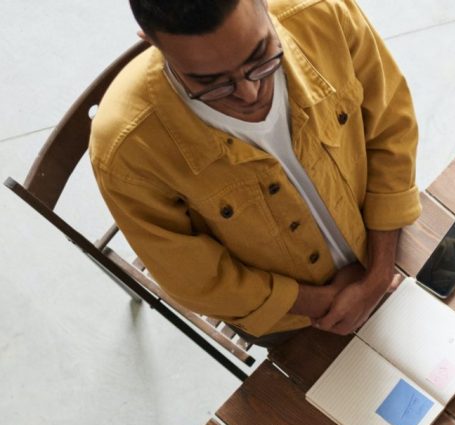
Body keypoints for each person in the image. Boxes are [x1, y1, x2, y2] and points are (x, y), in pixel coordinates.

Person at [91, 0, 420, 341]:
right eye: (212, 83)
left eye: (261, 56)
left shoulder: (322, 12)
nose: (250, 93)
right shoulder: (125, 149)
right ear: (151, 41)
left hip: (387, 240)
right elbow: (194, 279)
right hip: (291, 319)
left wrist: (378, 275)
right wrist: (325, 303)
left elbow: (391, 126)